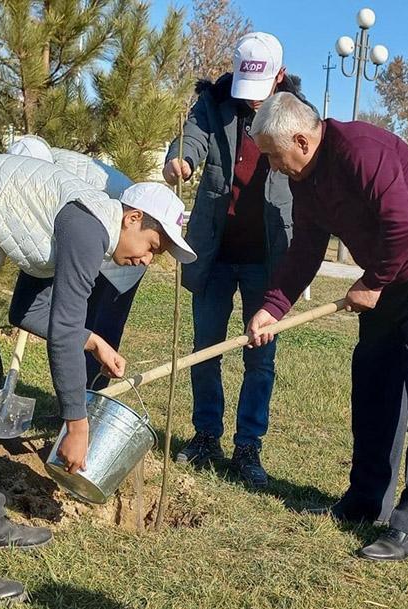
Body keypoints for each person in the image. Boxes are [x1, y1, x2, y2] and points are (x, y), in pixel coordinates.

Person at [0, 152, 195, 605]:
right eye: (153, 246)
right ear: (132, 218)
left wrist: (92, 341)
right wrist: (78, 424)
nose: (149, 260)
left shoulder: (83, 220)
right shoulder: (87, 227)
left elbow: (27, 311)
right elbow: (61, 333)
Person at [246, 92, 408, 561]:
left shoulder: (360, 151)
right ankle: (365, 500)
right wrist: (274, 306)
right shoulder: (304, 179)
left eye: (271, 153)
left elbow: (405, 224)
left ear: (301, 140)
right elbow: (306, 247)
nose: (270, 164)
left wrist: (372, 283)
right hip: (390, 276)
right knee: (372, 381)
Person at [163, 32, 309, 488]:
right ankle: (206, 436)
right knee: (205, 349)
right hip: (213, 253)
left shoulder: (297, 115)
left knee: (259, 358)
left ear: (279, 78)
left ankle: (248, 448)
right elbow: (190, 138)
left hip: (268, 260)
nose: (249, 104)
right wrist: (179, 160)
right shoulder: (213, 103)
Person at [5, 135, 143, 390]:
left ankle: (89, 403)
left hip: (127, 249)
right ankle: (72, 406)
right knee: (72, 324)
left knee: (96, 325)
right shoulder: (39, 171)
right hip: (89, 240)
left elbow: (79, 233)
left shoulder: (59, 178)